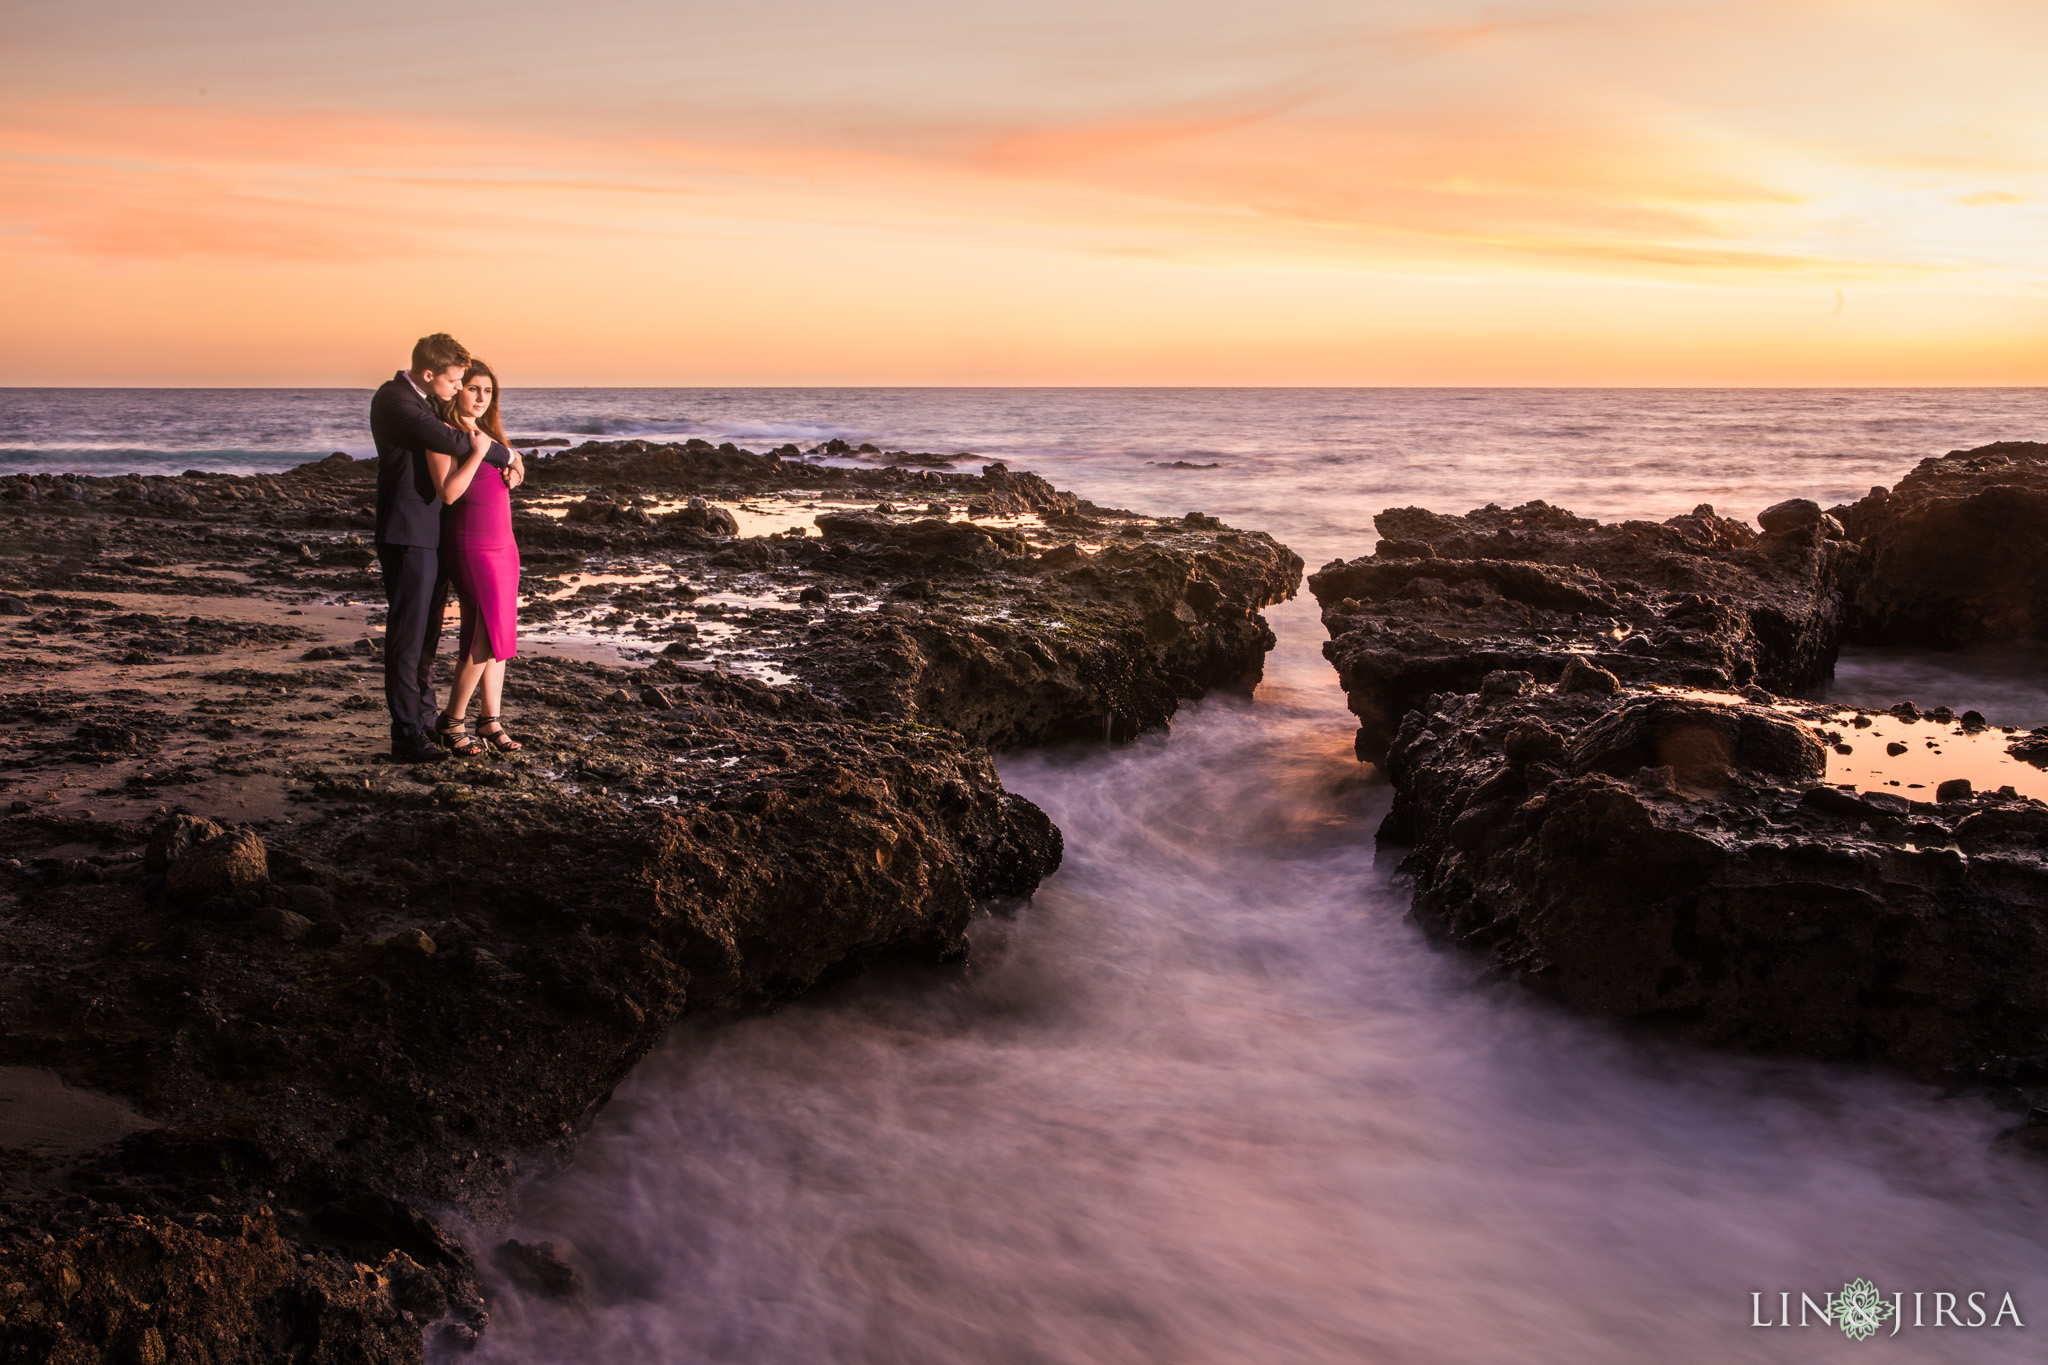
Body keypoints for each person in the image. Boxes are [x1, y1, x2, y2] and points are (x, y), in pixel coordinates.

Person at [369, 333, 513, 762]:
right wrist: (507, 455)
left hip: (432, 533)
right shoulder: (396, 400)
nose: (458, 388)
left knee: (428, 635)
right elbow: (453, 442)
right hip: (406, 530)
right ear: (429, 374)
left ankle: (427, 719)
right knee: (408, 636)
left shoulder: (427, 401)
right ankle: (406, 733)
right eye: (455, 381)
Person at [433, 359, 526, 755]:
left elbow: (512, 458)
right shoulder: (443, 434)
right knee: (481, 635)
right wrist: (478, 454)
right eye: (473, 388)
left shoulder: (488, 434)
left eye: (488, 391)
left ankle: (490, 720)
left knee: (500, 634)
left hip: (505, 545)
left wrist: (517, 467)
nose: (481, 398)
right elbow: (448, 492)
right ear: (458, 389)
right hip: (470, 545)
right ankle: (451, 721)